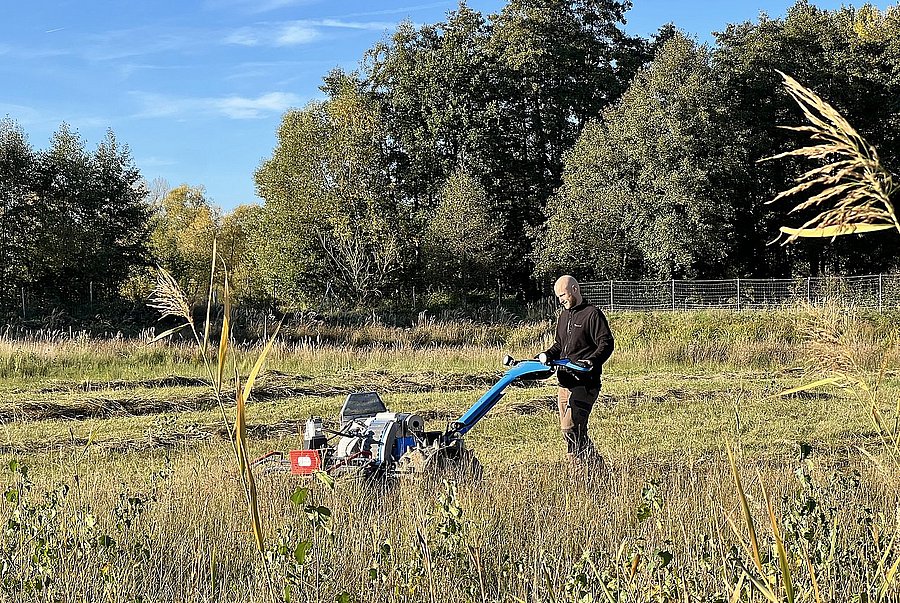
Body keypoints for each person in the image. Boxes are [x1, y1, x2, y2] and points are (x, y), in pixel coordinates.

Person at [538, 275, 614, 466]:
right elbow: (559, 345)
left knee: (569, 429)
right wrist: (547, 355)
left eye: (562, 295)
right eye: (558, 297)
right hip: (564, 384)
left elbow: (606, 343)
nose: (560, 300)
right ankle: (582, 474)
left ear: (574, 289)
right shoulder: (564, 316)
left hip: (584, 384)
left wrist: (592, 361)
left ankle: (596, 468)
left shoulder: (592, 314)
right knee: (573, 435)